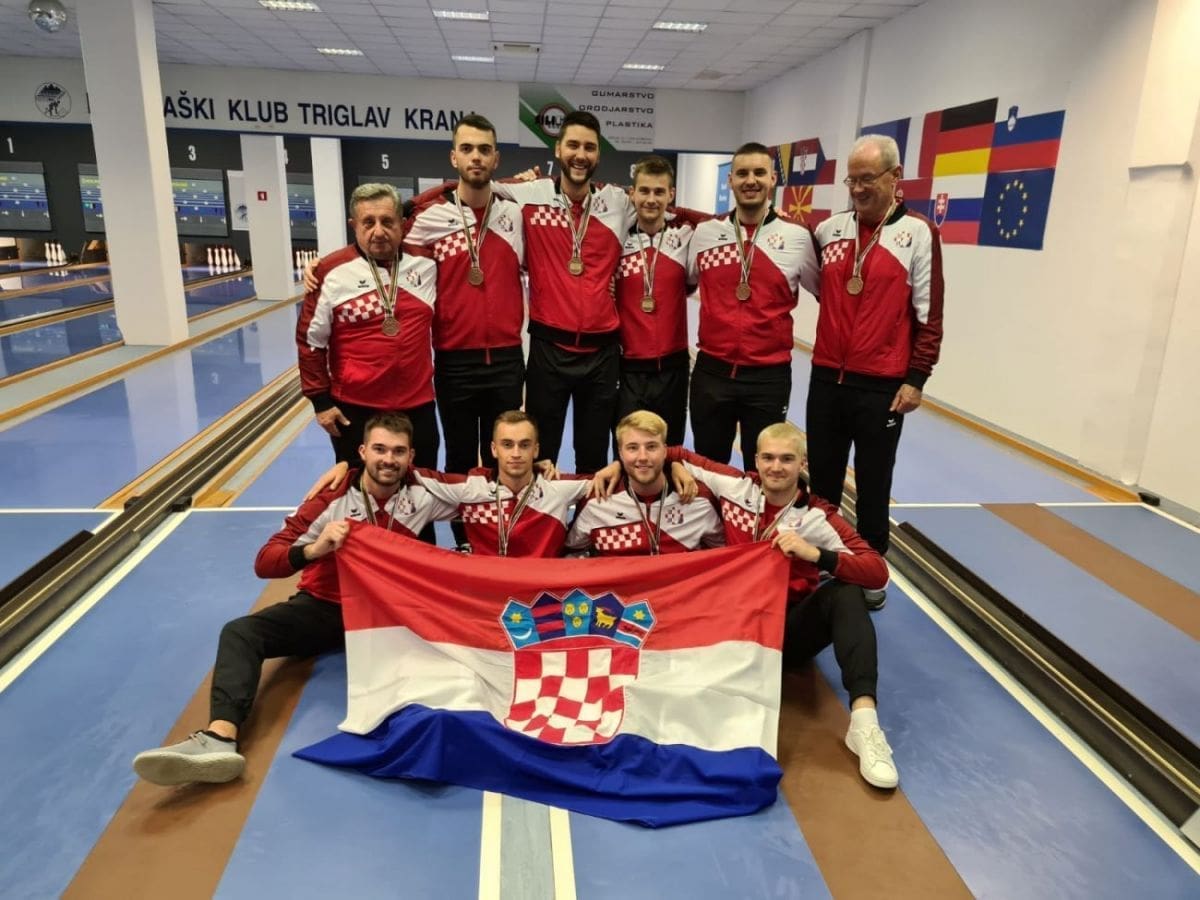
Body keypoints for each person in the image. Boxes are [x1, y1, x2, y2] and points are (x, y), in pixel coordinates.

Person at [132, 413, 458, 785]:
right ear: (362, 452)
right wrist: (316, 549)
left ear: (411, 456)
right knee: (241, 633)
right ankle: (220, 738)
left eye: (398, 452)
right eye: (380, 449)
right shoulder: (330, 499)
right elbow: (265, 561)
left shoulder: (423, 490)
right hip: (328, 608)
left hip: (388, 613)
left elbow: (489, 491)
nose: (389, 459)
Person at [660, 422, 899, 789]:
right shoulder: (735, 486)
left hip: (784, 634)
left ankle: (865, 726)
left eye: (787, 459)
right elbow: (669, 450)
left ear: (802, 463)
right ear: (755, 459)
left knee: (847, 593)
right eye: (768, 458)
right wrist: (674, 465)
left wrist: (816, 554)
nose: (776, 467)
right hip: (731, 630)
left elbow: (877, 572)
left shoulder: (817, 516)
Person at [308, 115, 525, 486]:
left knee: (502, 455)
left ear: (496, 158)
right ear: (453, 157)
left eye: (484, 150)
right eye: (467, 149)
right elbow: (379, 233)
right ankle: (459, 524)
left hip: (507, 359)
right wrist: (326, 264)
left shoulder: (516, 211)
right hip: (454, 360)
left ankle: (498, 518)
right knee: (457, 457)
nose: (476, 157)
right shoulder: (426, 218)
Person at [807, 134, 945, 610]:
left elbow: (929, 313)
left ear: (895, 176)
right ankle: (822, 561)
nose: (859, 189)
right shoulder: (830, 230)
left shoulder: (919, 233)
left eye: (868, 178)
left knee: (873, 481)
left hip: (882, 384)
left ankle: (871, 569)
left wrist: (917, 378)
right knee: (823, 480)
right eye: (852, 180)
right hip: (827, 377)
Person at [484, 110, 627, 473]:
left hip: (602, 354)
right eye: (573, 145)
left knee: (593, 456)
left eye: (589, 147)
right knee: (541, 453)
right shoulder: (530, 194)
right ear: (558, 149)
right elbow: (476, 183)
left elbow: (669, 211)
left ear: (598, 154)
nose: (581, 155)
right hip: (549, 351)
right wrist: (408, 206)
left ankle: (589, 512)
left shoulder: (617, 202)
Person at [688, 142, 820, 467]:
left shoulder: (798, 237)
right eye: (743, 173)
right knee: (708, 470)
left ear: (773, 179)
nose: (751, 180)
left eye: (759, 172)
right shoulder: (705, 233)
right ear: (730, 180)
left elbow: (826, 292)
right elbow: (686, 280)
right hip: (712, 372)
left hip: (768, 378)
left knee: (763, 473)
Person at [296, 183, 439, 475]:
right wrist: (320, 402)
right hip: (355, 407)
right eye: (368, 222)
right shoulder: (330, 272)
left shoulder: (427, 263)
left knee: (422, 491)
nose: (378, 231)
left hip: (418, 404)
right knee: (359, 493)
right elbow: (311, 342)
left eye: (387, 221)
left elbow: (462, 189)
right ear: (354, 226)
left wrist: (524, 180)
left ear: (402, 223)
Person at [613, 155, 697, 447]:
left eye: (659, 192)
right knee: (628, 449)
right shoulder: (615, 237)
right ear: (632, 193)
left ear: (671, 195)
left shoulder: (686, 235)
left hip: (673, 367)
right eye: (644, 191)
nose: (651, 199)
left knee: (669, 449)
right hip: (627, 367)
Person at [567, 411, 723, 556]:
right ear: (620, 453)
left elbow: (726, 558)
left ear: (665, 451)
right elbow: (570, 556)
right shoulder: (596, 501)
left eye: (651, 447)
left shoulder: (699, 500)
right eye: (632, 448)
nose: (642, 457)